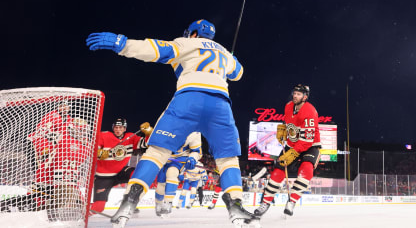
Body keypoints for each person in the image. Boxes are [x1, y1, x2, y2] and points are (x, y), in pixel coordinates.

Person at [86, 19, 258, 227]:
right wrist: (233, 59)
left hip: (189, 98)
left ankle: (130, 200)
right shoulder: (224, 52)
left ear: (193, 33)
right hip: (220, 104)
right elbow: (238, 74)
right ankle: (236, 205)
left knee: (157, 152)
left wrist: (122, 44)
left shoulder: (187, 43)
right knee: (227, 159)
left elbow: (156, 49)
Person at [254, 84, 321, 217]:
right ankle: (265, 203)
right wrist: (284, 130)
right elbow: (288, 122)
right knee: (277, 172)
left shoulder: (310, 111)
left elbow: (307, 140)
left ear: (305, 97)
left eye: (299, 94)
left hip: (310, 145)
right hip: (292, 144)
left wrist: (294, 153)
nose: (295, 95)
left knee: (307, 169)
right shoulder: (288, 106)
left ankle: (292, 201)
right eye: (295, 93)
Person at [89, 118, 152, 216]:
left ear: (125, 128)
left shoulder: (131, 137)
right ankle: (85, 209)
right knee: (98, 208)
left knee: (137, 175)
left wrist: (148, 132)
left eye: (121, 127)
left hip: (121, 171)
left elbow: (146, 143)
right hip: (104, 176)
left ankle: (130, 203)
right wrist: (98, 153)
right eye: (116, 127)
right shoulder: (104, 135)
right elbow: (93, 148)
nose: (118, 130)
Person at [154, 132, 202, 216]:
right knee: (161, 183)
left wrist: (192, 158)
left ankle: (168, 202)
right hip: (164, 156)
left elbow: (196, 151)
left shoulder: (194, 130)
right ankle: (158, 204)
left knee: (172, 172)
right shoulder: (168, 123)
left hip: (180, 157)